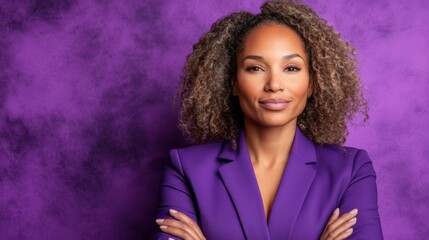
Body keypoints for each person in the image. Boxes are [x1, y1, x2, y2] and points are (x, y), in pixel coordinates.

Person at [153, 0, 383, 239]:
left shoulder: (351, 170)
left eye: (291, 68)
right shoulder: (185, 168)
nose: (274, 84)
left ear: (313, 82)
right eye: (256, 68)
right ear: (233, 82)